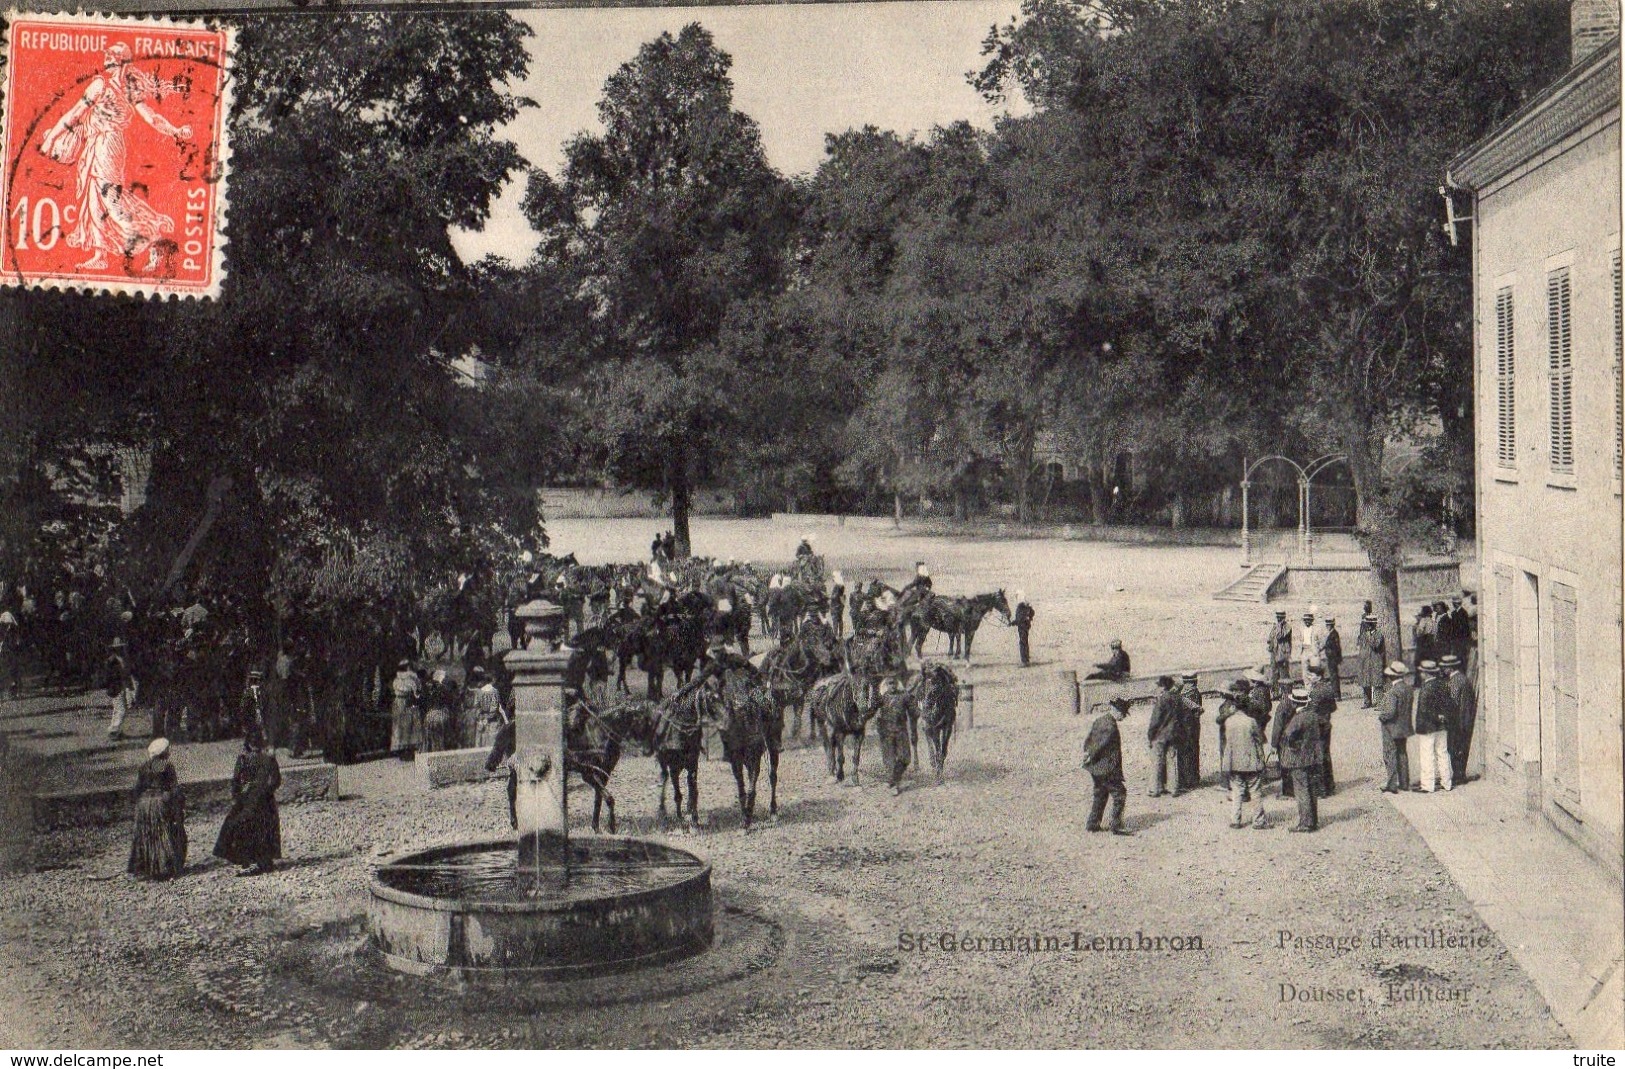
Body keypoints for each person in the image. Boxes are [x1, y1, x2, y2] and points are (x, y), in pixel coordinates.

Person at [39, 44, 193, 273]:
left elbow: (152, 118)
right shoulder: (109, 85)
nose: (106, 58)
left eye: (111, 56)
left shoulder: (108, 85)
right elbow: (76, 113)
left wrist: (175, 130)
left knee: (111, 200)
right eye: (107, 55)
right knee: (94, 199)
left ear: (121, 60)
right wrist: (52, 136)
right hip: (98, 143)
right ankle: (100, 254)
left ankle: (154, 240)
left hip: (107, 145)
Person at [213, 725, 281, 876]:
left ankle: (249, 860)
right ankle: (265, 860)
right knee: (265, 828)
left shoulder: (243, 758)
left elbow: (236, 781)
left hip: (248, 798)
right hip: (265, 799)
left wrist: (238, 797)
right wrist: (266, 791)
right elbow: (276, 780)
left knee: (245, 827)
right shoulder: (269, 758)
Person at [128, 737, 187, 880]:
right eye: (168, 749)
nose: (169, 752)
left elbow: (138, 789)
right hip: (160, 801)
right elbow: (173, 788)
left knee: (146, 833)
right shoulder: (167, 766)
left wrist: (138, 804)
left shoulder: (144, 766)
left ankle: (144, 867)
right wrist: (179, 805)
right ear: (163, 752)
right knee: (163, 832)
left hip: (144, 803)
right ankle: (163, 867)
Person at [1083, 697, 1132, 834]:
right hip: (1107, 768)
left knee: (1100, 794)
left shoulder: (1100, 720)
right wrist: (1091, 754)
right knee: (1120, 794)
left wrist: (1087, 753)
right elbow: (1100, 745)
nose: (1123, 717)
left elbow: (1089, 739)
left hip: (1096, 767)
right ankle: (1117, 826)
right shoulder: (1110, 726)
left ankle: (1093, 823)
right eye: (1122, 713)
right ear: (1116, 711)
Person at [1219, 694, 1267, 829]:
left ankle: (1236, 820)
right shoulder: (1251, 721)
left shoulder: (1229, 721)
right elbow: (1259, 739)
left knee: (1237, 791)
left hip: (1234, 761)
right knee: (1255, 791)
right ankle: (1258, 821)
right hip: (1250, 760)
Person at [1278, 687, 1322, 832]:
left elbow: (1288, 735)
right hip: (1313, 757)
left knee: (1301, 790)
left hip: (1299, 759)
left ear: (1295, 703)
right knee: (1312, 789)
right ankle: (1313, 820)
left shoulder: (1297, 719)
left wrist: (1292, 746)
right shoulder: (1314, 716)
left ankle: (1305, 823)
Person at [1413, 661, 1453, 792]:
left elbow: (1424, 710)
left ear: (1425, 673)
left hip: (1428, 727)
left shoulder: (1425, 688)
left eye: (1422, 672)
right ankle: (1447, 782)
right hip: (1442, 726)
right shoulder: (1443, 685)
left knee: (1427, 755)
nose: (1420, 674)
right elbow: (1449, 705)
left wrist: (1435, 717)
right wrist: (1442, 716)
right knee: (1442, 752)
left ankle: (1428, 785)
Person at [1377, 660, 1414, 794]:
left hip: (1391, 727)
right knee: (1402, 753)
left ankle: (1392, 784)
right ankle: (1405, 782)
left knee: (1390, 754)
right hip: (1404, 727)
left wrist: (1382, 716)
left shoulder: (1393, 692)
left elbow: (1390, 712)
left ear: (1391, 676)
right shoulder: (1408, 689)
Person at [1442, 653, 1476, 784]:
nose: (1443, 669)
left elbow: (1453, 701)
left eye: (1445, 667)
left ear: (1450, 668)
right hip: (1464, 719)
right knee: (1460, 746)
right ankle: (1459, 774)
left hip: (1457, 720)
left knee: (1454, 747)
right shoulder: (1463, 678)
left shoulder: (1455, 681)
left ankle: (1459, 775)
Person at [1146, 676, 1183, 798]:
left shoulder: (1161, 700)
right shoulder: (1177, 698)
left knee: (1157, 761)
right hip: (1173, 734)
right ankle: (1173, 788)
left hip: (1160, 735)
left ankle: (1155, 788)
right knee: (1172, 760)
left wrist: (1150, 735)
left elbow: (1155, 720)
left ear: (1162, 686)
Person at [1306, 661, 1338, 795]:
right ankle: (1330, 786)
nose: (1309, 677)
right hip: (1327, 724)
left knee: (1317, 756)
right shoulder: (1328, 688)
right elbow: (1334, 707)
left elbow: (1310, 711)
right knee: (1326, 755)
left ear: (1318, 677)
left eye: (1311, 675)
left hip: (1317, 727)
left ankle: (1321, 789)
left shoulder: (1316, 692)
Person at [1216, 680, 1250, 791]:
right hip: (1234, 732)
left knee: (1226, 756)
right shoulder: (1235, 703)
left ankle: (1226, 783)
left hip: (1226, 733)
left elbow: (1220, 720)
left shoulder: (1227, 705)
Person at [465, 666, 506, 749]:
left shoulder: (469, 689)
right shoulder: (487, 691)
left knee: (475, 739)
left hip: (473, 716)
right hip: (484, 718)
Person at [389, 660, 423, 759]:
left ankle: (399, 748)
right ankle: (408, 749)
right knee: (409, 726)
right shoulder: (412, 679)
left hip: (397, 703)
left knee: (398, 726)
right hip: (407, 703)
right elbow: (417, 693)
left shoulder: (396, 680)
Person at [1176, 671, 1203, 790]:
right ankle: (1193, 779)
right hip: (1193, 727)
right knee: (1193, 751)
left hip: (1182, 727)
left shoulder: (1180, 695)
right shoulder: (1196, 693)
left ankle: (1184, 781)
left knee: (1183, 753)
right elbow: (1198, 712)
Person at [103, 638, 134, 739]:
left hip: (120, 686)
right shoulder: (113, 661)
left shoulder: (121, 659)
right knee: (121, 709)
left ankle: (115, 729)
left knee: (118, 708)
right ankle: (114, 730)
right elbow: (112, 676)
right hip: (116, 687)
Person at [1355, 613, 1386, 708]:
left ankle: (1379, 702)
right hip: (1365, 661)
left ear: (1373, 624)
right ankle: (1367, 701)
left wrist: (1368, 636)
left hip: (1376, 661)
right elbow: (1359, 646)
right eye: (1366, 624)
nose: (1367, 626)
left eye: (1369, 624)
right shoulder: (1363, 635)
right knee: (1365, 682)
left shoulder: (1379, 634)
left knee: (1377, 682)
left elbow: (1375, 645)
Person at [1267, 611, 1293, 695]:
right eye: (1277, 617)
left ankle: (1285, 693)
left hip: (1283, 653)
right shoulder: (1275, 626)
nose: (1278, 619)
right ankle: (1275, 693)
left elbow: (1279, 636)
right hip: (1274, 652)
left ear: (1284, 618)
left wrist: (1279, 625)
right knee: (1274, 672)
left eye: (1280, 617)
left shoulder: (1287, 627)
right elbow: (1270, 638)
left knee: (1283, 673)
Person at [1320, 617, 1343, 701]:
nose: (1327, 626)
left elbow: (1337, 647)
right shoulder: (1331, 634)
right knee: (1333, 676)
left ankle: (1337, 695)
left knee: (1334, 676)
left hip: (1333, 658)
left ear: (1332, 625)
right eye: (1327, 625)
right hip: (1331, 658)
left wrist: (1337, 658)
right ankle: (1335, 694)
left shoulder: (1334, 634)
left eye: (1329, 625)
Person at [1011, 593, 1035, 667]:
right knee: (1024, 642)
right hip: (1025, 626)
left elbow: (1020, 618)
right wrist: (1029, 618)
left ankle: (1024, 661)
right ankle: (1026, 659)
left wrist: (1013, 622)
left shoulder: (1020, 607)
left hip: (1022, 627)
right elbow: (1032, 613)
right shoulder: (1027, 606)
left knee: (1022, 642)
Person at [828, 571, 846, 639]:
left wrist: (829, 597)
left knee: (835, 621)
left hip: (836, 606)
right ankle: (840, 635)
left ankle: (836, 635)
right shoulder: (840, 585)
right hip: (839, 606)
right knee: (839, 620)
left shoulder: (838, 586)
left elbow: (836, 596)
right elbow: (841, 597)